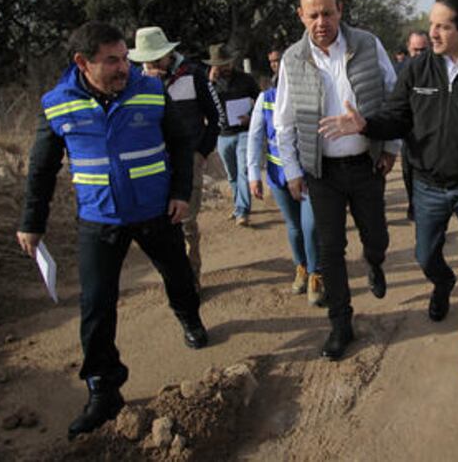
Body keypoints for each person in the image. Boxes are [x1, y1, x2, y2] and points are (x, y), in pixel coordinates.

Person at [321, 0, 458, 402]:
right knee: (425, 257)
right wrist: (365, 125)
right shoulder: (416, 70)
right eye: (431, 24)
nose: (433, 32)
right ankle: (442, 283)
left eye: (443, 26)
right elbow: (395, 118)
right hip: (428, 187)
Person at [16, 22, 207, 439]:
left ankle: (189, 317)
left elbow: (180, 142)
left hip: (158, 211)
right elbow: (42, 169)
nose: (125, 68)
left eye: (125, 58)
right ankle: (103, 389)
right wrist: (32, 223)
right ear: (83, 63)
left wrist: (180, 193)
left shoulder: (150, 90)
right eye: (113, 61)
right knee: (97, 304)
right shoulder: (56, 104)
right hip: (99, 218)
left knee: (178, 275)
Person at [274, 0, 399, 360]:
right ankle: (340, 324)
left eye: (327, 12)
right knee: (330, 251)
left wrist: (390, 146)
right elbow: (283, 122)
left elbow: (394, 97)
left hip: (366, 164)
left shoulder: (366, 43)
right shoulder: (293, 60)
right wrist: (293, 171)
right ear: (301, 16)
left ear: (340, 9)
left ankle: (375, 263)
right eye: (312, 14)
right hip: (321, 172)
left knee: (376, 237)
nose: (321, 21)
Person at [127, 26, 221, 290]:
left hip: (188, 158)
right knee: (163, 224)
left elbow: (215, 117)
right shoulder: (133, 82)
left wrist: (202, 152)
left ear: (169, 54)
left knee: (187, 220)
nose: (154, 63)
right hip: (153, 162)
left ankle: (192, 276)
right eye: (148, 59)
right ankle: (176, 274)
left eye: (159, 57)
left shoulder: (193, 75)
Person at [248, 86, 323, 305]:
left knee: (310, 226)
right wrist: (253, 175)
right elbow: (255, 137)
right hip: (279, 175)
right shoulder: (266, 98)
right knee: (294, 226)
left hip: (309, 176)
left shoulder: (313, 95)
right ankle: (301, 267)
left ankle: (315, 273)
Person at [206, 44, 260, 226]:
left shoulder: (246, 79)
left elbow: (261, 102)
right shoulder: (210, 84)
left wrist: (251, 116)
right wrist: (210, 83)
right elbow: (205, 105)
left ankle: (243, 210)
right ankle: (238, 206)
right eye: (220, 65)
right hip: (223, 134)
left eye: (226, 63)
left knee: (243, 170)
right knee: (232, 174)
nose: (224, 68)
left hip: (244, 132)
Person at [400, 30, 430, 220]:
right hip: (409, 135)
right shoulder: (400, 71)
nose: (419, 54)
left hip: (432, 135)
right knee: (408, 173)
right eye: (415, 50)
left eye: (423, 50)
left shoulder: (438, 71)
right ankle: (413, 204)